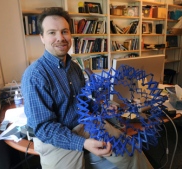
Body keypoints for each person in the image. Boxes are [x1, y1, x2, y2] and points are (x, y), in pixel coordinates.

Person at [21, 7, 153, 169]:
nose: (60, 38)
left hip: (86, 125)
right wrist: (82, 143)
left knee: (131, 150)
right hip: (56, 138)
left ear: (70, 34)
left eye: (64, 31)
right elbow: (44, 128)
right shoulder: (35, 75)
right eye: (52, 33)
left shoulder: (75, 67)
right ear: (42, 37)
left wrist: (103, 108)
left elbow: (83, 102)